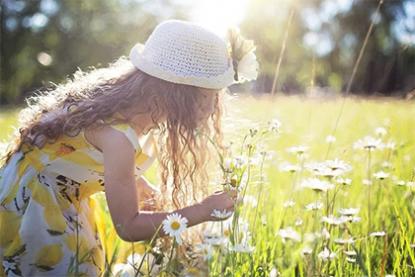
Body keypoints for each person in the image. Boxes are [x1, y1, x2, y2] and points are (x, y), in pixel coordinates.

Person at [0, 19, 258, 276]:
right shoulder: (118, 138)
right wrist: (201, 211)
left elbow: (89, 162)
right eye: (210, 96)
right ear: (179, 93)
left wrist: (146, 190)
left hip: (46, 192)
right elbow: (128, 227)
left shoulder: (122, 107)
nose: (215, 108)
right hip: (35, 209)